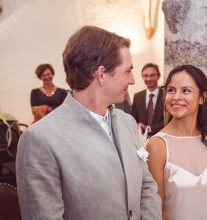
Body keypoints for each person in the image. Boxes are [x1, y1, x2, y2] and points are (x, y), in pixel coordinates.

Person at [16, 26, 162, 220]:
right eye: (127, 71)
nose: (133, 80)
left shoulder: (127, 123)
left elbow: (146, 186)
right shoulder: (39, 139)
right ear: (101, 74)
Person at [147, 64, 207, 220]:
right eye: (171, 90)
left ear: (202, 97)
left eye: (186, 90)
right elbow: (157, 210)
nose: (176, 97)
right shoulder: (157, 146)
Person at [131, 63, 164, 136]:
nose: (148, 79)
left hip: (162, 137)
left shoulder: (166, 95)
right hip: (142, 139)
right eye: (145, 76)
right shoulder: (137, 96)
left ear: (158, 76)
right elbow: (133, 118)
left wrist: (149, 128)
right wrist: (137, 125)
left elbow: (169, 119)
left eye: (152, 75)